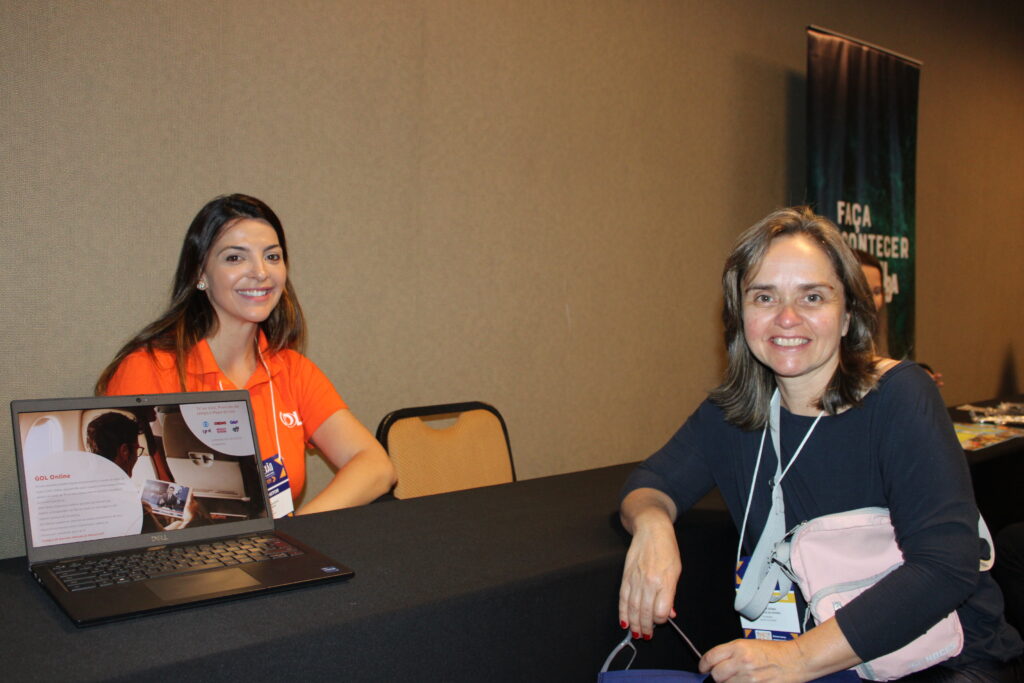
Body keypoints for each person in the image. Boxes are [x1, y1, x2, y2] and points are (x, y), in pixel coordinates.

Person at [618, 207, 1022, 681]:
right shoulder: (731, 415)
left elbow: (945, 567)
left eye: (812, 296)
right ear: (739, 315)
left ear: (848, 314)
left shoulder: (899, 395)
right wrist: (652, 527)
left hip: (943, 662)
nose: (787, 318)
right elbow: (650, 482)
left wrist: (795, 658)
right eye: (764, 297)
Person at [95, 194, 396, 516]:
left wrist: (300, 530)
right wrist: (201, 519)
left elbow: (376, 466)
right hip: (177, 556)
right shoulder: (147, 369)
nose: (260, 272)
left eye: (272, 256)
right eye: (235, 258)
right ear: (201, 274)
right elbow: (116, 494)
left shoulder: (291, 370)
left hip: (275, 553)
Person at [854, 248, 943, 388]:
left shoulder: (879, 334)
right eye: (863, 291)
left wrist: (917, 375)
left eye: (877, 292)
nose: (871, 300)